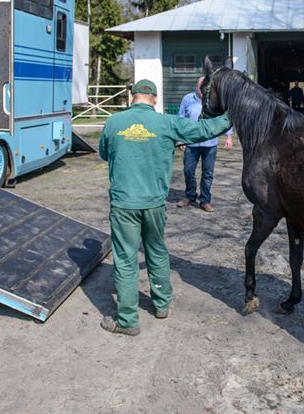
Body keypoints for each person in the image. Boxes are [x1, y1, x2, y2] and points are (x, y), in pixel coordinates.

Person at [98, 79, 231, 335]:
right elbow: (204, 130)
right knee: (157, 251)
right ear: (155, 99)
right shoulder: (167, 123)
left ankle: (127, 320)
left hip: (124, 202)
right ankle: (161, 305)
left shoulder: (113, 122)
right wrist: (231, 116)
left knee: (125, 259)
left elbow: (105, 153)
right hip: (155, 203)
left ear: (132, 96)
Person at [176, 76, 233, 212]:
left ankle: (205, 200)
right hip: (191, 143)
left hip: (210, 144)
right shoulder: (187, 99)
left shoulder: (215, 99)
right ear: (196, 86)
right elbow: (180, 119)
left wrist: (229, 136)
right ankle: (190, 195)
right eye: (200, 86)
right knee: (188, 171)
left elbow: (223, 118)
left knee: (207, 173)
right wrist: (179, 138)